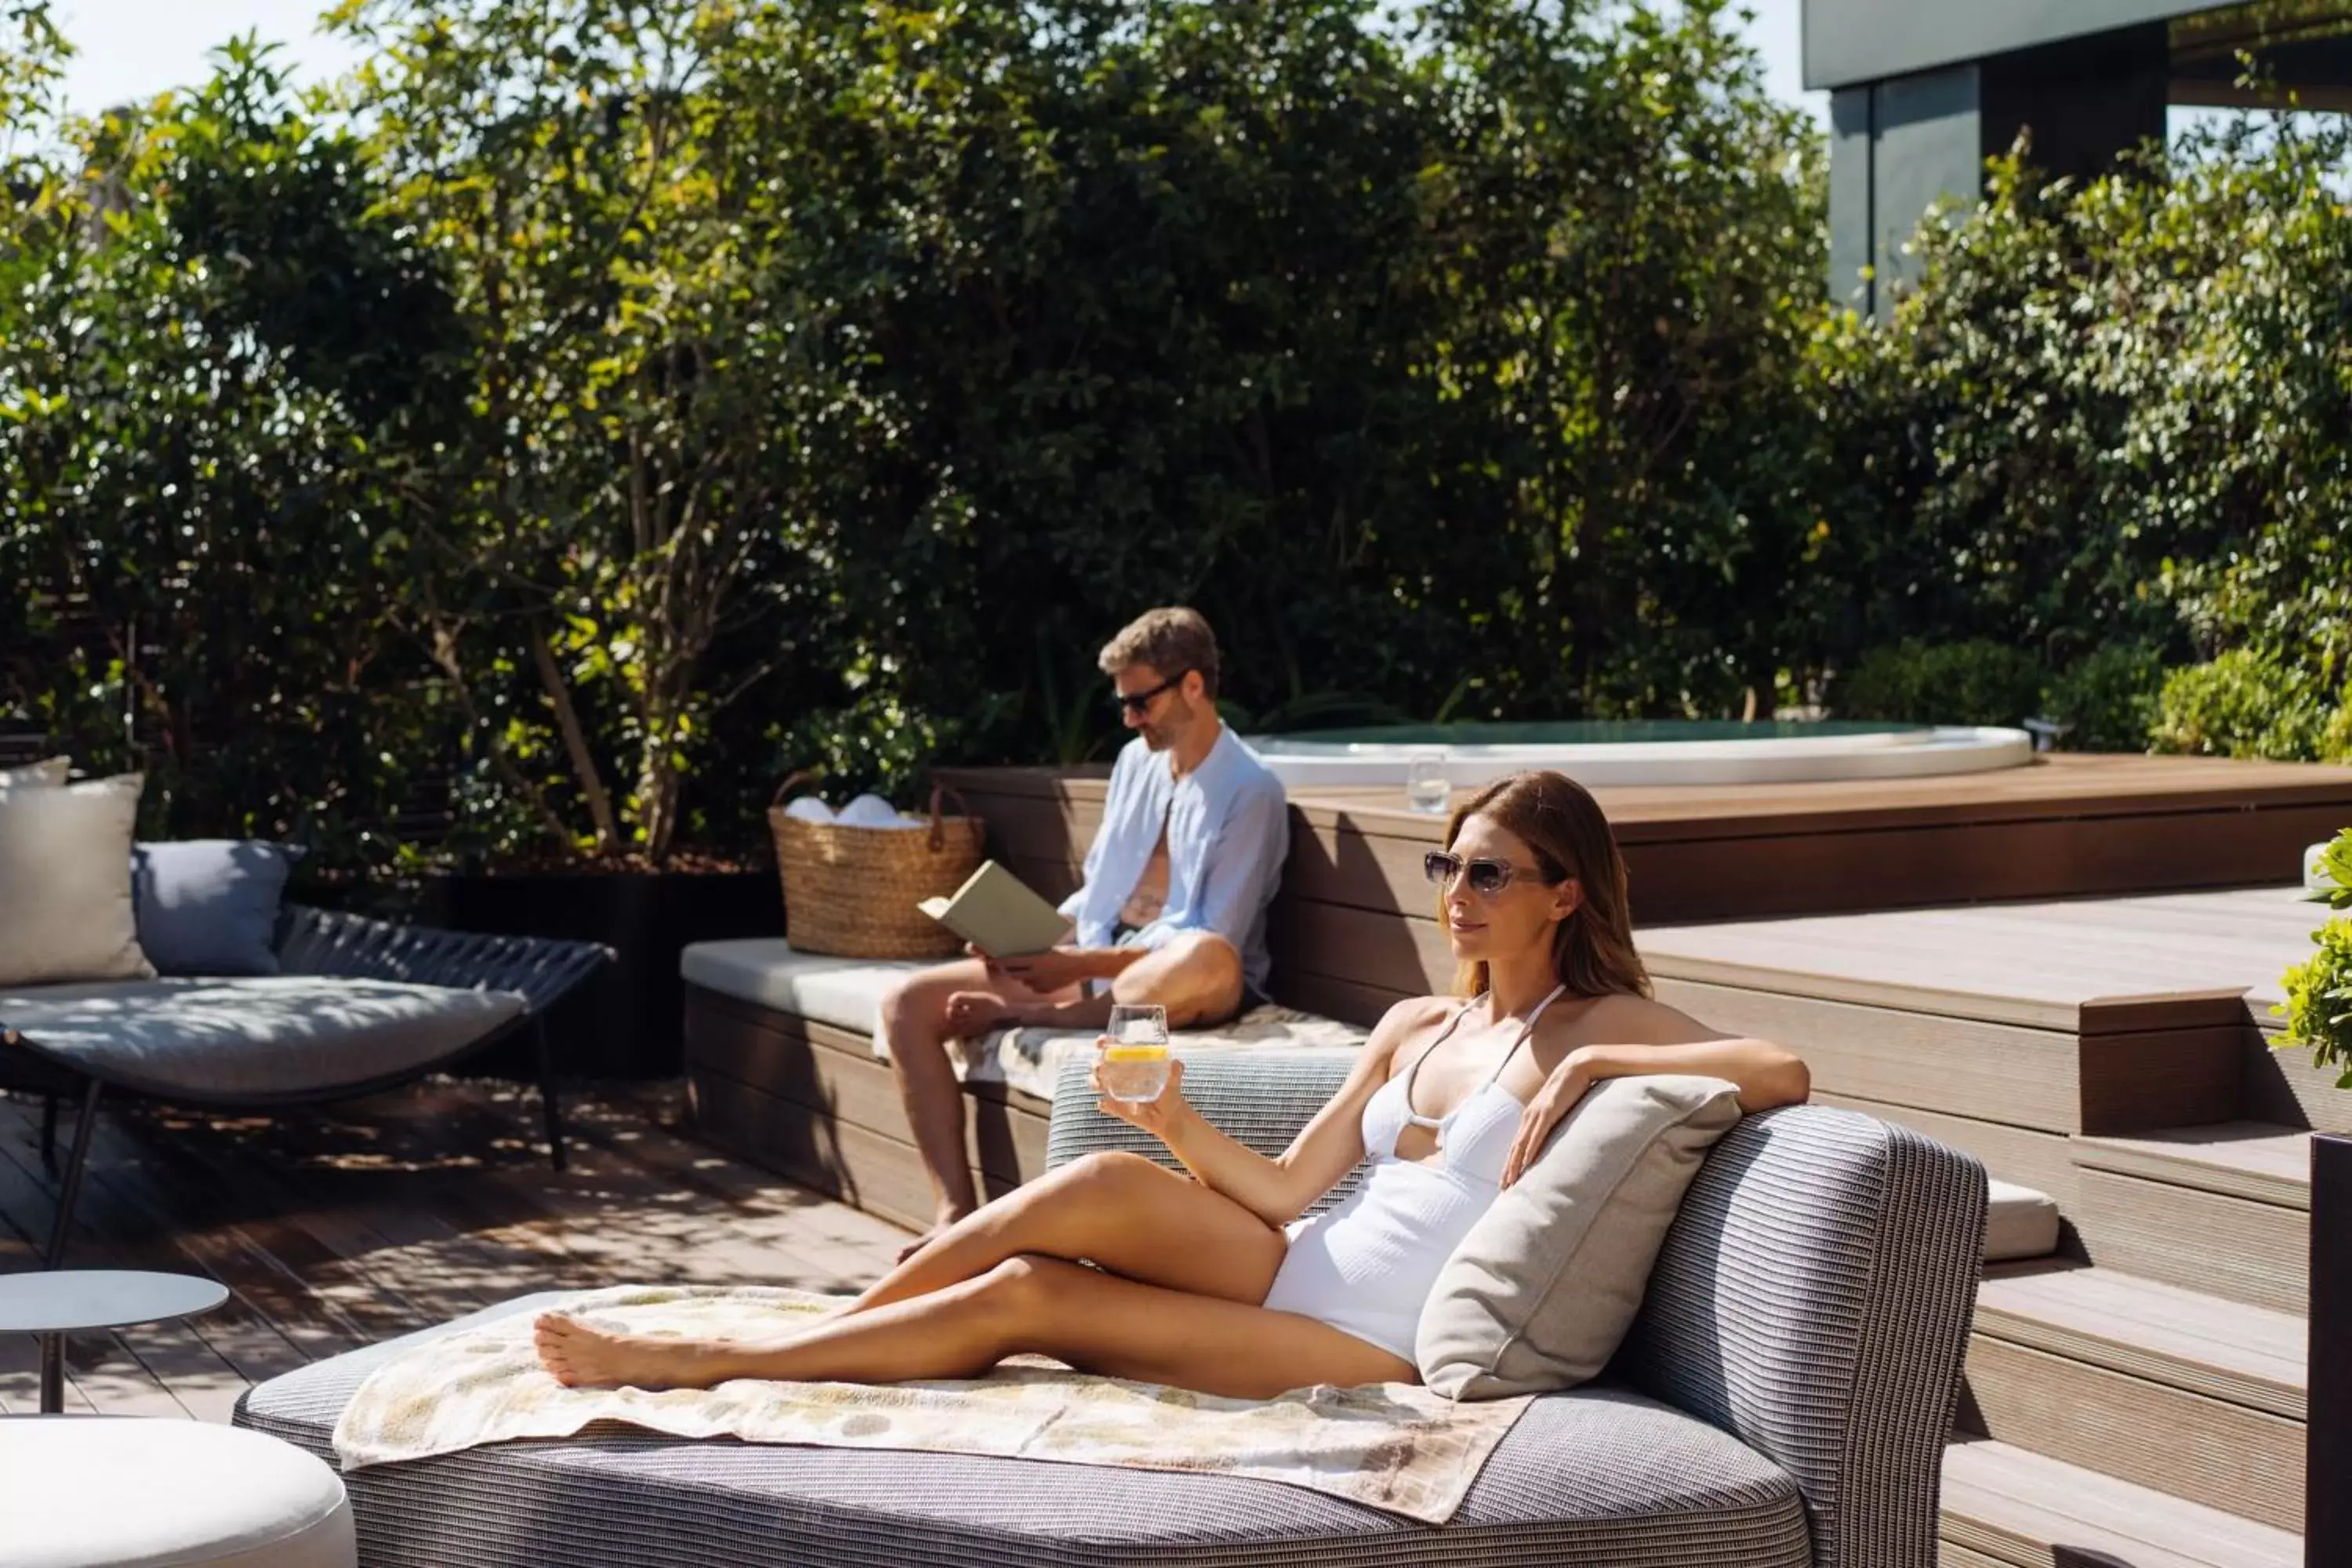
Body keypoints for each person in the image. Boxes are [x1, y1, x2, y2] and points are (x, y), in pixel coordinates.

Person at [534, 769, 1812, 1398]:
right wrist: (1173, 1121)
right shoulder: (1418, 1019)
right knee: (1090, 1177)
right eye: (1449, 868)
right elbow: (1287, 1187)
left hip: (1371, 1343)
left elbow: (1782, 1068)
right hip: (1298, 1259)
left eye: (1491, 875)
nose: (1457, 896)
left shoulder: (1607, 1018)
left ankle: (704, 1365)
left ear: (1566, 893)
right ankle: (791, 1340)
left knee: (1034, 1299)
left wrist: (1592, 1057)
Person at [877, 607, 1290, 1254]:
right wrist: (1027, 936)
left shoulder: (1250, 791)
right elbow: (1099, 893)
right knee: (906, 1004)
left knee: (1205, 954)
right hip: (1095, 972)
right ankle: (953, 1213)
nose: (1129, 718)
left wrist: (1072, 969)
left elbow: (1220, 935)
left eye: (1140, 702)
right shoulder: (1134, 764)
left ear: (1192, 686)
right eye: (1123, 704)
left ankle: (1041, 1017)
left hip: (1184, 983)